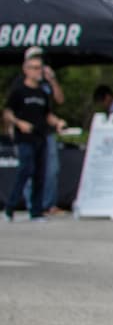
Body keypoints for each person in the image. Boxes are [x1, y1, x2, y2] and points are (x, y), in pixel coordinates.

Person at [4, 49, 66, 222]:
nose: (38, 71)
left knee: (41, 173)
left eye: (40, 68)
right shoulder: (19, 90)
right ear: (26, 69)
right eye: (34, 68)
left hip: (41, 136)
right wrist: (18, 123)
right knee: (25, 170)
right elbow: (8, 112)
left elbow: (47, 114)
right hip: (24, 138)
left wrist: (57, 121)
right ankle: (11, 207)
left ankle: (36, 211)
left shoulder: (42, 92)